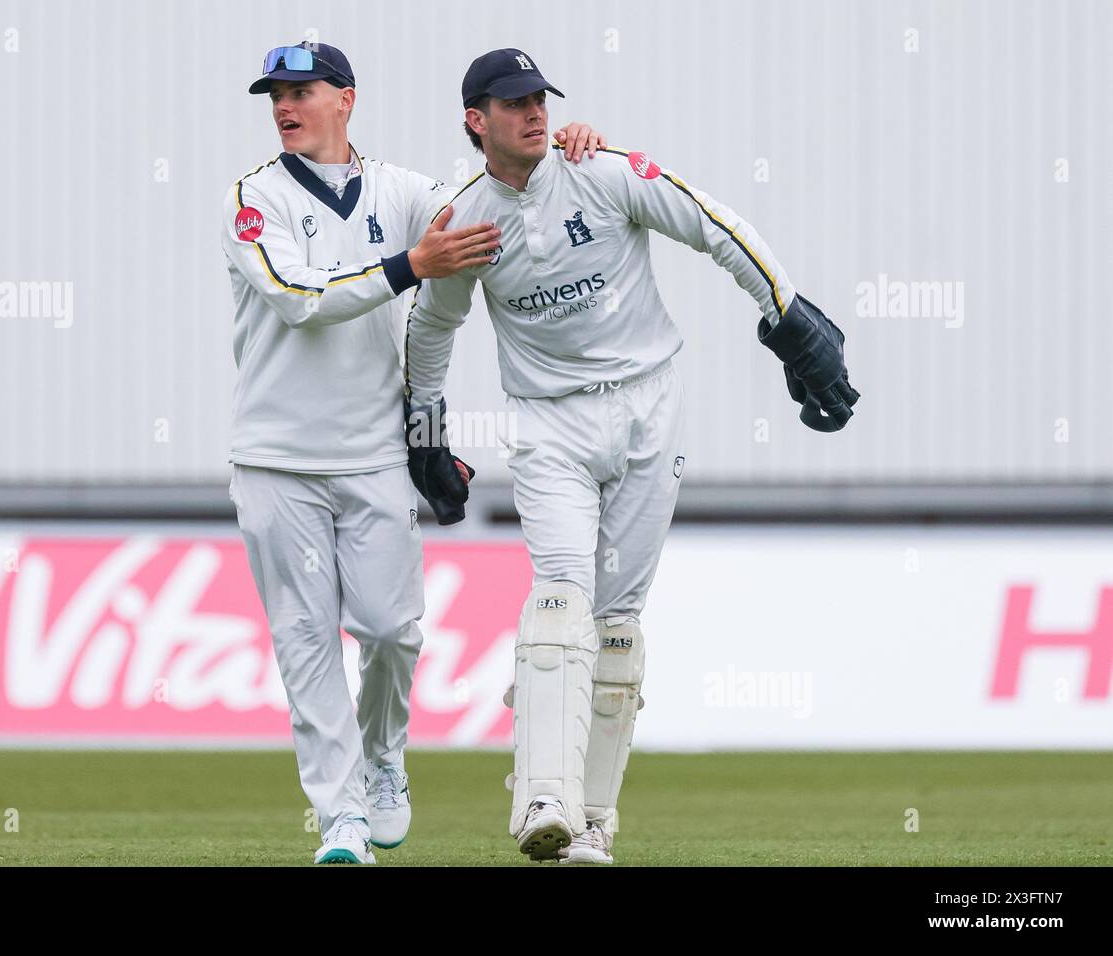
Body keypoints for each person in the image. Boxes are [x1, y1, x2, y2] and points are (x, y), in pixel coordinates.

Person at [404, 48, 860, 864]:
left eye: (540, 98)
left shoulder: (603, 169)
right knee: (559, 605)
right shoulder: (463, 218)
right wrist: (426, 431)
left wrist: (788, 323)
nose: (534, 113)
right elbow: (433, 328)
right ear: (477, 121)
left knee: (615, 629)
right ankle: (544, 795)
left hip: (651, 407)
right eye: (513, 104)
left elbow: (716, 228)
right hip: (549, 428)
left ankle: (594, 824)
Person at [221, 41, 605, 864]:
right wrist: (408, 267)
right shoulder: (253, 199)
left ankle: (384, 755)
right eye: (275, 96)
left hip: (372, 457)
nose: (285, 107)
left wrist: (567, 151)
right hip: (274, 459)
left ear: (346, 99)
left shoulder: (401, 192)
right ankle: (342, 819)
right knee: (305, 640)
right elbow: (295, 300)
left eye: (302, 91)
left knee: (393, 632)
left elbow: (486, 206)